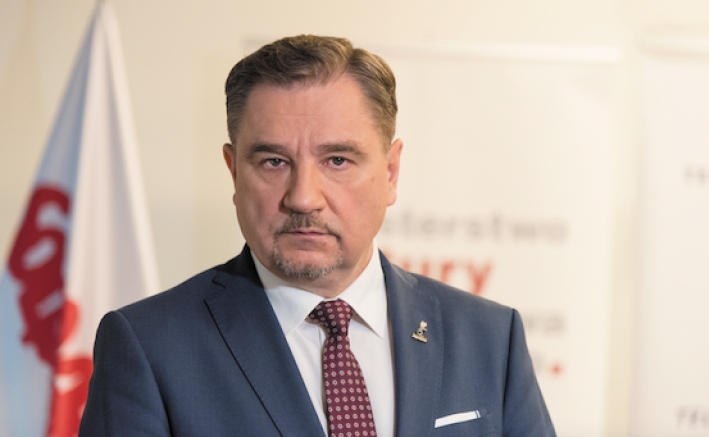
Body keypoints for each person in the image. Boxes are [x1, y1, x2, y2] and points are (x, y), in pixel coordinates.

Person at [79, 35, 555, 437]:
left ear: (390, 172)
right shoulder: (149, 346)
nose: (303, 198)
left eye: (337, 160)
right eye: (273, 162)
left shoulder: (490, 338)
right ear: (233, 171)